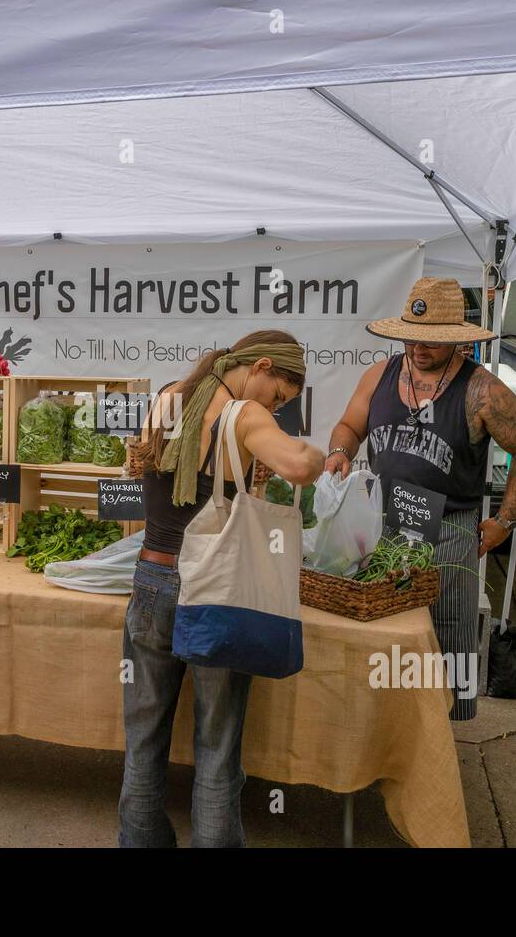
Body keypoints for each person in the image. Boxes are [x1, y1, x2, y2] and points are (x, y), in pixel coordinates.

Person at [119, 330, 324, 848]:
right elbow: (298, 465)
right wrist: (326, 454)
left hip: (150, 579)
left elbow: (140, 469)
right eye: (278, 396)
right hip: (212, 590)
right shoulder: (243, 416)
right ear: (260, 366)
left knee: (143, 737)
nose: (273, 408)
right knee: (216, 742)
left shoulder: (167, 397)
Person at [325, 278, 516, 720]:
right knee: (381, 626)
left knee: (449, 632)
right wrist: (339, 452)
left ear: (456, 338)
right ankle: (389, 723)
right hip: (381, 524)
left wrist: (505, 520)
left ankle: (447, 732)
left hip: (451, 529)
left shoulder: (482, 389)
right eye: (412, 336)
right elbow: (348, 426)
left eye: (431, 341)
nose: (419, 347)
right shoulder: (380, 374)